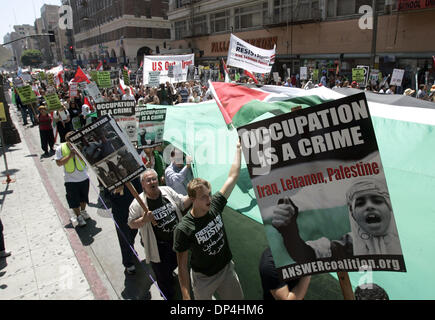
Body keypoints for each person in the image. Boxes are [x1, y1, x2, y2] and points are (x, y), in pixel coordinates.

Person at [173, 141, 244, 300]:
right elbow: (182, 266)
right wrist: (185, 295)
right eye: (203, 196)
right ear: (192, 199)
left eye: (209, 194)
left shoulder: (215, 205)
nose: (209, 199)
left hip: (226, 270)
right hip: (203, 279)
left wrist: (238, 148)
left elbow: (233, 176)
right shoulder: (184, 229)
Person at [271, 178, 402, 263]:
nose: (369, 206)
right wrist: (289, 232)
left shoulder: (405, 239)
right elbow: (307, 256)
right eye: (360, 203)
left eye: (377, 201)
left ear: (389, 207)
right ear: (353, 214)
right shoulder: (350, 245)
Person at [128, 169, 192, 300]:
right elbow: (131, 224)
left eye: (154, 179)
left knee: (182, 266)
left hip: (177, 241)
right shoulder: (137, 203)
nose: (152, 182)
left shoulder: (167, 191)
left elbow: (181, 203)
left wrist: (192, 196)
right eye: (148, 180)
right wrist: (143, 219)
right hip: (159, 247)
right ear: (143, 184)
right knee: (163, 276)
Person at [105, 178, 142, 275]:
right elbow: (106, 195)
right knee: (124, 238)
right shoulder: (108, 177)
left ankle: (131, 249)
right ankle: (128, 263)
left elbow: (139, 189)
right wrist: (115, 191)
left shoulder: (131, 174)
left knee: (133, 233)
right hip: (120, 213)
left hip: (134, 210)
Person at [54, 131, 91, 227]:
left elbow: (88, 159)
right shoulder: (60, 148)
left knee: (84, 198)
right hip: (70, 180)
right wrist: (70, 155)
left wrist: (78, 153)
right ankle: (78, 216)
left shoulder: (82, 145)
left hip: (83, 177)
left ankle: (83, 211)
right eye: (69, 138)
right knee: (73, 200)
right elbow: (58, 163)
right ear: (66, 140)